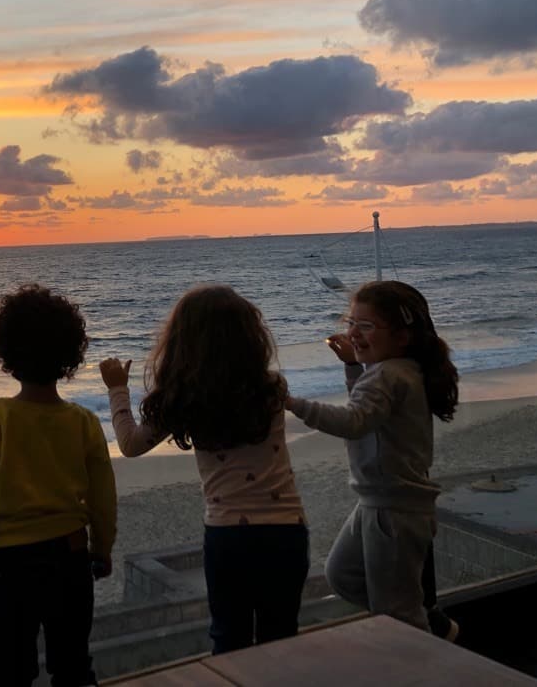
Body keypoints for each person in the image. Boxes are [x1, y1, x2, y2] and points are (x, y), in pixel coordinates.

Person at [100, 284, 309, 654]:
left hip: (229, 535)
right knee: (281, 636)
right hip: (286, 530)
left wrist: (118, 389)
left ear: (182, 344)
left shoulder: (185, 398)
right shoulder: (271, 387)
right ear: (250, 336)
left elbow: (131, 445)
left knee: (230, 638)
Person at [0, 283, 117, 687]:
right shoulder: (83, 422)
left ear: (6, 353)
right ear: (69, 356)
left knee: (10, 673)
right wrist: (102, 548)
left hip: (13, 565)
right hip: (72, 556)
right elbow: (102, 498)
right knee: (73, 666)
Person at [287, 280, 459, 636]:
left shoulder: (387, 376)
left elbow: (353, 421)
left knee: (397, 614)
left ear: (401, 336)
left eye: (366, 326)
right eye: (351, 323)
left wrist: (291, 403)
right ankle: (429, 627)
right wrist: (353, 367)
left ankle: (422, 655)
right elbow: (368, 412)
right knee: (343, 575)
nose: (353, 333)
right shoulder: (400, 371)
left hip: (392, 508)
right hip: (381, 501)